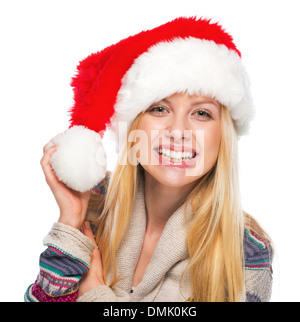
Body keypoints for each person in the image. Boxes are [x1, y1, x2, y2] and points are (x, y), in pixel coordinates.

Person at [24, 17, 273, 302]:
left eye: (201, 113)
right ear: (134, 125)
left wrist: (94, 293)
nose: (178, 132)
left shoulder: (246, 250)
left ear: (223, 135)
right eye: (158, 109)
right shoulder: (94, 203)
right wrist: (70, 222)